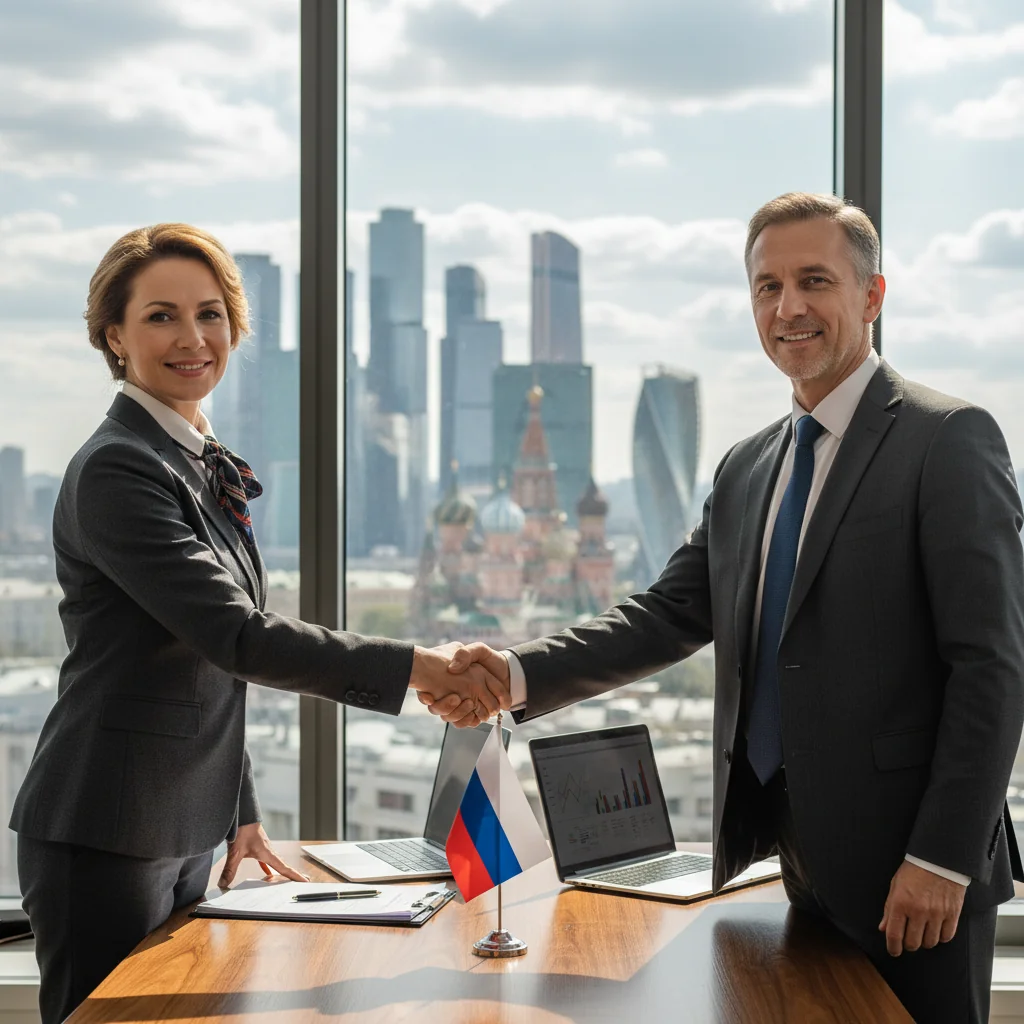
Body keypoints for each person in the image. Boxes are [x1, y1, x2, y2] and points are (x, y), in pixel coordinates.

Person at [427, 193, 1024, 1023]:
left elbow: (991, 667)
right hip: (798, 865)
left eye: (815, 280)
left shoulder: (947, 438)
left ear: (872, 296)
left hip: (914, 877)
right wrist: (516, 671)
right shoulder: (750, 467)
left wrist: (944, 859)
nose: (789, 308)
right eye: (767, 287)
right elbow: (667, 614)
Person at [11, 223, 507, 1024]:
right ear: (114, 335)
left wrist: (235, 809)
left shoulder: (190, 457)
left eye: (210, 314)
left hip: (182, 821)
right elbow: (238, 634)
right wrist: (421, 667)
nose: (193, 338)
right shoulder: (119, 466)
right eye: (161, 316)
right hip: (104, 825)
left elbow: (211, 663)